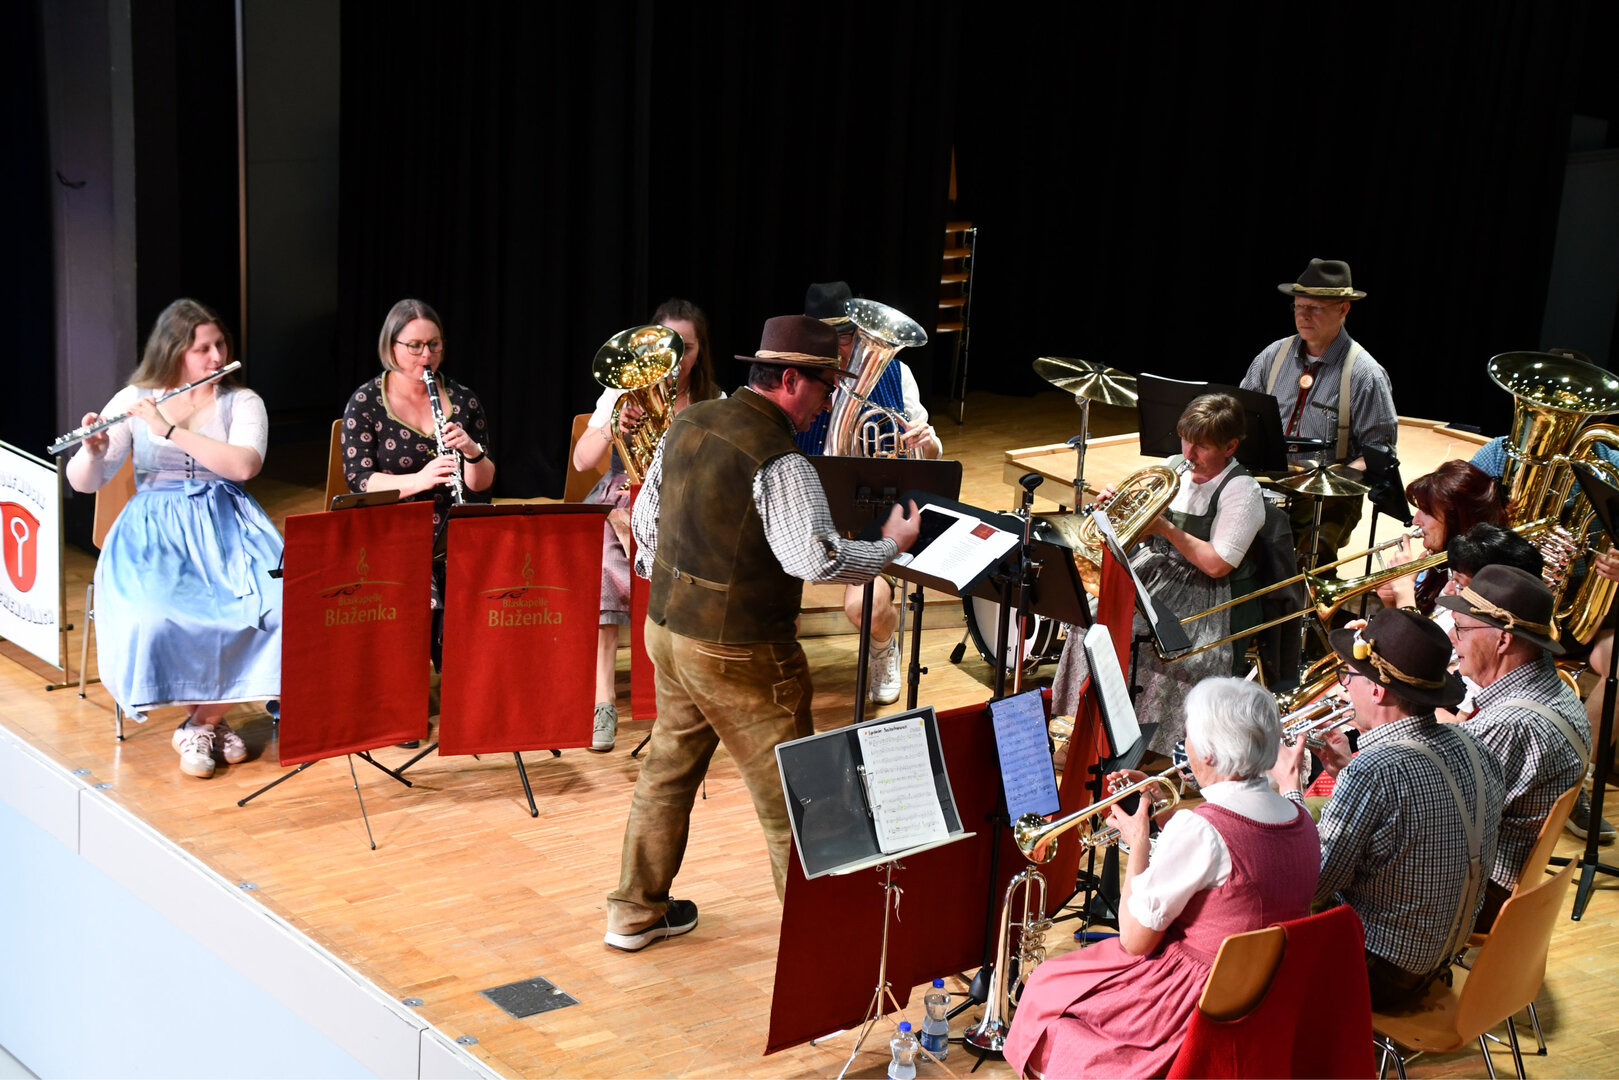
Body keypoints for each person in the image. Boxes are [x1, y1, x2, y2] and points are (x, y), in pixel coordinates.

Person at [604, 315, 920, 952]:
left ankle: (634, 913)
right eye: (826, 384)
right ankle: (821, 954)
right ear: (791, 380)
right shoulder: (781, 460)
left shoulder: (689, 422)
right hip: (740, 652)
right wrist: (891, 546)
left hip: (668, 630)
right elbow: (814, 560)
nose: (831, 399)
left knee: (666, 773)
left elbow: (646, 523)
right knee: (799, 803)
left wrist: (680, 587)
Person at [1005, 677, 1319, 1078]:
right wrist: (1166, 817)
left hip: (1190, 1004)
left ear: (1208, 752)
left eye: (1188, 736)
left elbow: (1134, 940)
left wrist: (1138, 841)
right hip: (1265, 998)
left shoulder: (1201, 830)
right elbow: (1226, 867)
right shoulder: (1300, 817)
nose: (1185, 745)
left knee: (1046, 992)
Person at [65, 299, 282, 779]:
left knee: (278, 607)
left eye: (219, 344)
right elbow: (83, 482)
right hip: (154, 533)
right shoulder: (135, 399)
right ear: (173, 351)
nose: (216, 356)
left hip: (226, 525)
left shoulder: (242, 401)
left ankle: (201, 725)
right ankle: (210, 725)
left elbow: (244, 466)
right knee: (154, 616)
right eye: (202, 348)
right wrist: (91, 451)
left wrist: (168, 429)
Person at [1270, 608, 1505, 1009]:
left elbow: (1310, 884)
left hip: (1380, 974)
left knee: (1260, 900)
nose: (1345, 688)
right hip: (1441, 956)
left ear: (1378, 691)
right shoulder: (1471, 743)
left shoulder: (1375, 770)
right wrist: (1348, 768)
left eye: (1348, 677)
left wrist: (1289, 787)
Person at [1051, 393, 1265, 756]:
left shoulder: (1242, 491)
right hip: (1152, 572)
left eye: (1202, 446)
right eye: (1186, 440)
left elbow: (1217, 564)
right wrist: (1113, 513)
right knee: (1087, 621)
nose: (1189, 453)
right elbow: (1133, 535)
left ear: (1230, 447)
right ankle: (1085, 729)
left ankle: (1145, 748)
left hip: (1203, 591)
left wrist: (1165, 528)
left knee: (1149, 646)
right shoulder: (1172, 467)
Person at [573, 299, 722, 752]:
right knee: (603, 558)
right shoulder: (623, 389)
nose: (675, 361)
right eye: (666, 349)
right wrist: (614, 426)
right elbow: (582, 461)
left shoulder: (715, 401)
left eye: (686, 349)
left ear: (701, 350)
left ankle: (677, 699)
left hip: (685, 504)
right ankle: (603, 700)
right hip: (623, 498)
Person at [1468, 427, 1619, 842]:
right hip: (1510, 593)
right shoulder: (1499, 454)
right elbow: (1462, 514)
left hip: (1581, 602)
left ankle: (1576, 779)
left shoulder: (1611, 463)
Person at [794, 282, 940, 706]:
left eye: (846, 336)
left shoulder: (896, 374)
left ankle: (882, 648)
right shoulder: (793, 379)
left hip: (868, 521)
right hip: (804, 518)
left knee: (866, 607)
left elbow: (929, 456)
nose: (840, 347)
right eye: (828, 338)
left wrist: (927, 442)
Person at [341, 299, 495, 675]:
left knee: (492, 590)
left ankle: (468, 680)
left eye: (434, 345)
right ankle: (403, 686)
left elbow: (482, 485)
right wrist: (420, 480)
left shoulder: (463, 399)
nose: (427, 356)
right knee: (417, 594)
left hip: (454, 525)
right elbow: (359, 480)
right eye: (415, 346)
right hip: (394, 526)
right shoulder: (366, 402)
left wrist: (471, 451)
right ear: (391, 346)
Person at [1439, 565, 1590, 930]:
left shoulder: (1509, 724)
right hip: (1502, 880)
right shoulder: (1560, 692)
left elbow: (1433, 820)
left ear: (1503, 641)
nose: (1452, 639)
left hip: (1474, 894)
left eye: (1460, 628)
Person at [1240, 258, 1398, 564]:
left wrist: (1333, 481)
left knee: (1308, 559)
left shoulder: (1365, 374)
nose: (1303, 315)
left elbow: (1379, 451)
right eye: (1299, 306)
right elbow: (1241, 418)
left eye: (1315, 307)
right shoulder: (1272, 356)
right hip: (1268, 479)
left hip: (1328, 495)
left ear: (1343, 309)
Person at [1375, 460, 1506, 614]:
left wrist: (1404, 590)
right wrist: (1393, 602)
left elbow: (1434, 630)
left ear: (1456, 520)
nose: (1415, 520)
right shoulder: (1436, 563)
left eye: (1426, 512)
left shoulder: (1481, 584)